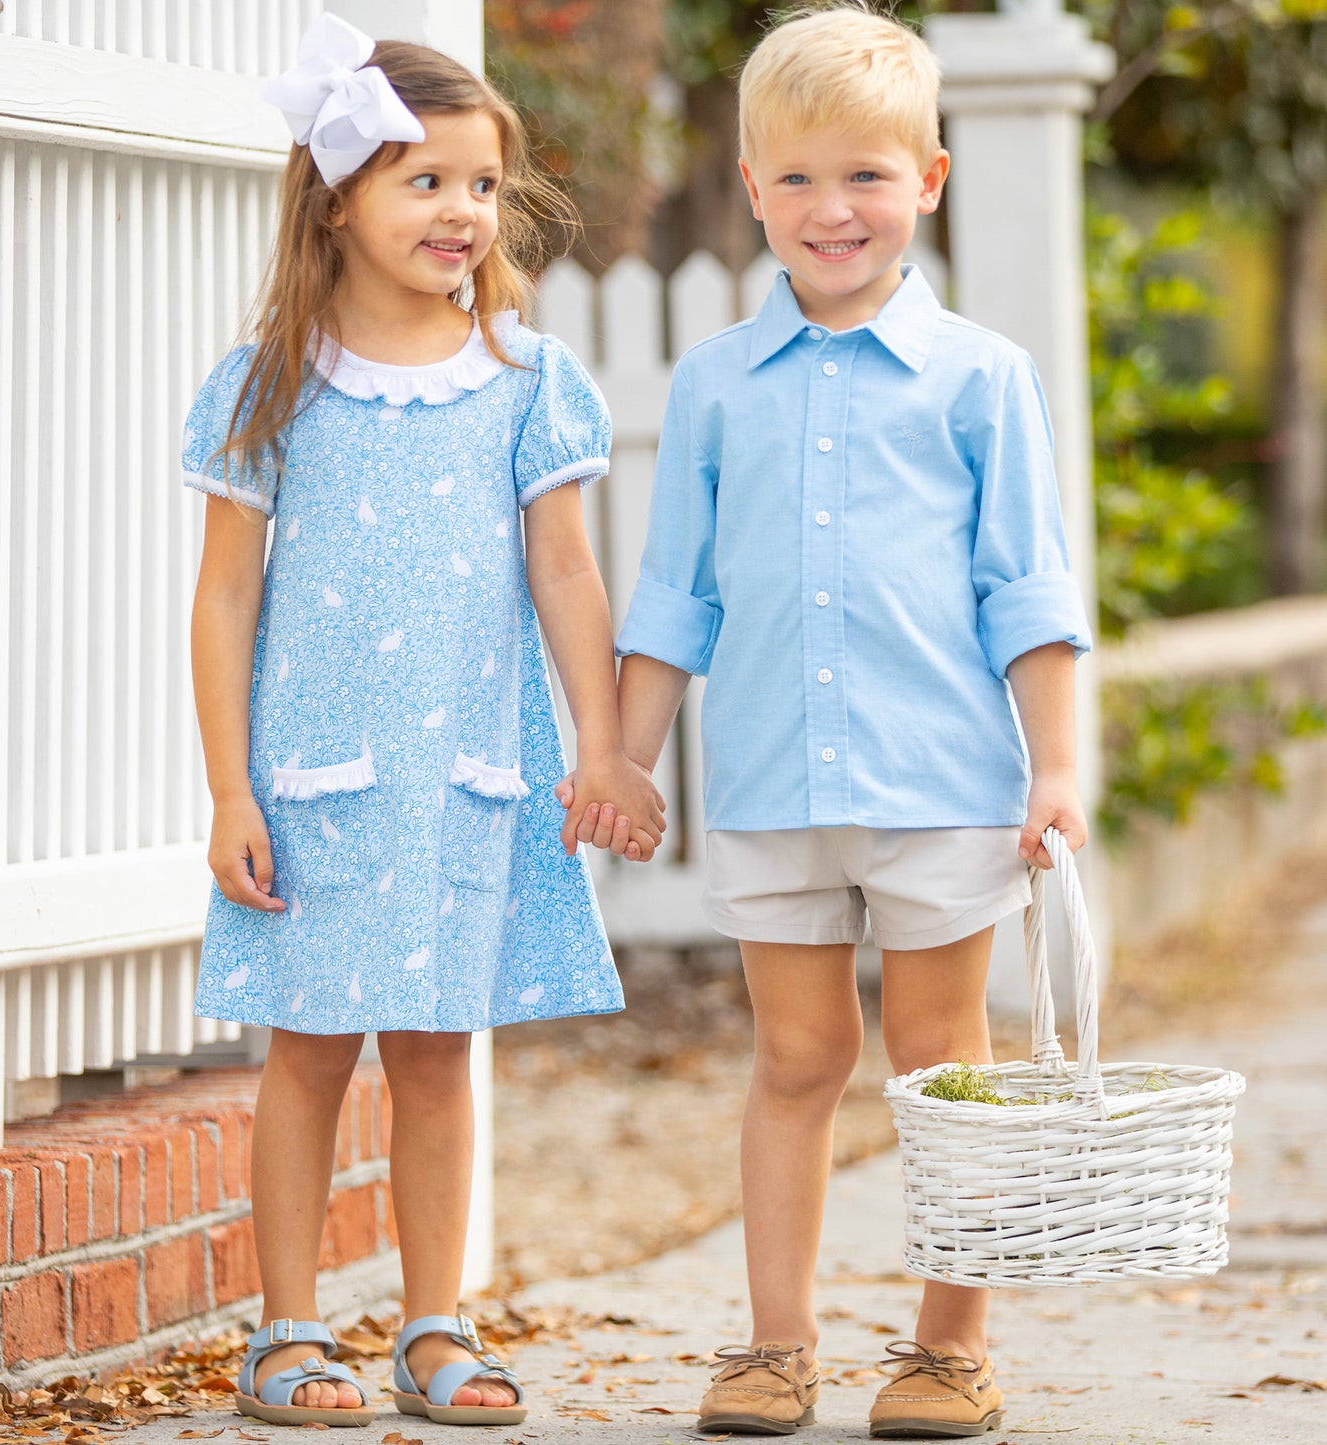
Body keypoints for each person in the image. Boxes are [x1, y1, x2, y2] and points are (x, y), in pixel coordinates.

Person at [568, 4, 1093, 1437]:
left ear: (927, 179)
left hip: (942, 783)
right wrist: (622, 752)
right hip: (771, 783)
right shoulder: (716, 385)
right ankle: (774, 1343)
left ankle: (948, 1348)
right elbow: (672, 591)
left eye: (864, 174)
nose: (830, 208)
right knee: (796, 1058)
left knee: (940, 1064)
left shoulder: (981, 376)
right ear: (749, 188)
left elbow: (1025, 590)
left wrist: (1054, 768)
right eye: (795, 177)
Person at [185, 15, 662, 1429]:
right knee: (307, 1046)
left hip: (467, 773)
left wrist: (599, 738)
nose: (461, 211)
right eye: (425, 180)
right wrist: (228, 790)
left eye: (480, 184)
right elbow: (222, 601)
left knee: (442, 1045)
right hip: (315, 779)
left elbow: (564, 567)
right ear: (336, 194)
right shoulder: (272, 383)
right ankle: (285, 1328)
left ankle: (435, 1323)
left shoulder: (522, 376)